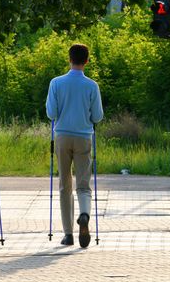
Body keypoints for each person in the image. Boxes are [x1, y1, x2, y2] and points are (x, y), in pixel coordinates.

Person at [46, 43, 104, 248]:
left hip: (62, 136)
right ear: (87, 60)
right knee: (83, 183)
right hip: (84, 137)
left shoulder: (56, 83)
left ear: (69, 59)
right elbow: (97, 116)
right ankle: (85, 214)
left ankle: (68, 233)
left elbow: (51, 113)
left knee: (64, 185)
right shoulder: (92, 86)